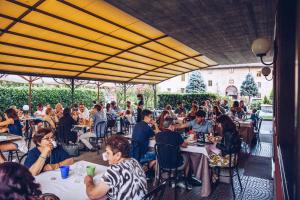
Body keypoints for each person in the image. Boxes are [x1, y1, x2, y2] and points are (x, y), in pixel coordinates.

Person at [84, 136, 147, 200]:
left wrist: (88, 180)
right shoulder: (134, 161)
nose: (106, 157)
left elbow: (92, 195)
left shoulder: (114, 170)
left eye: (108, 153)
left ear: (118, 155)